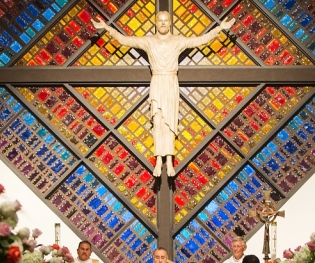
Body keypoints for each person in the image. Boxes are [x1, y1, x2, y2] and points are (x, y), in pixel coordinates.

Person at [92, 13, 235, 183]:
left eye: (166, 21)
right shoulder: (148, 41)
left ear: (170, 23)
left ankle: (169, 160)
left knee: (170, 122)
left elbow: (200, 40)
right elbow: (125, 40)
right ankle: (158, 160)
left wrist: (220, 28)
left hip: (171, 81)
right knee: (158, 121)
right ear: (155, 23)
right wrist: (107, 28)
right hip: (157, 81)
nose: (162, 23)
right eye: (160, 21)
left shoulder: (178, 41)